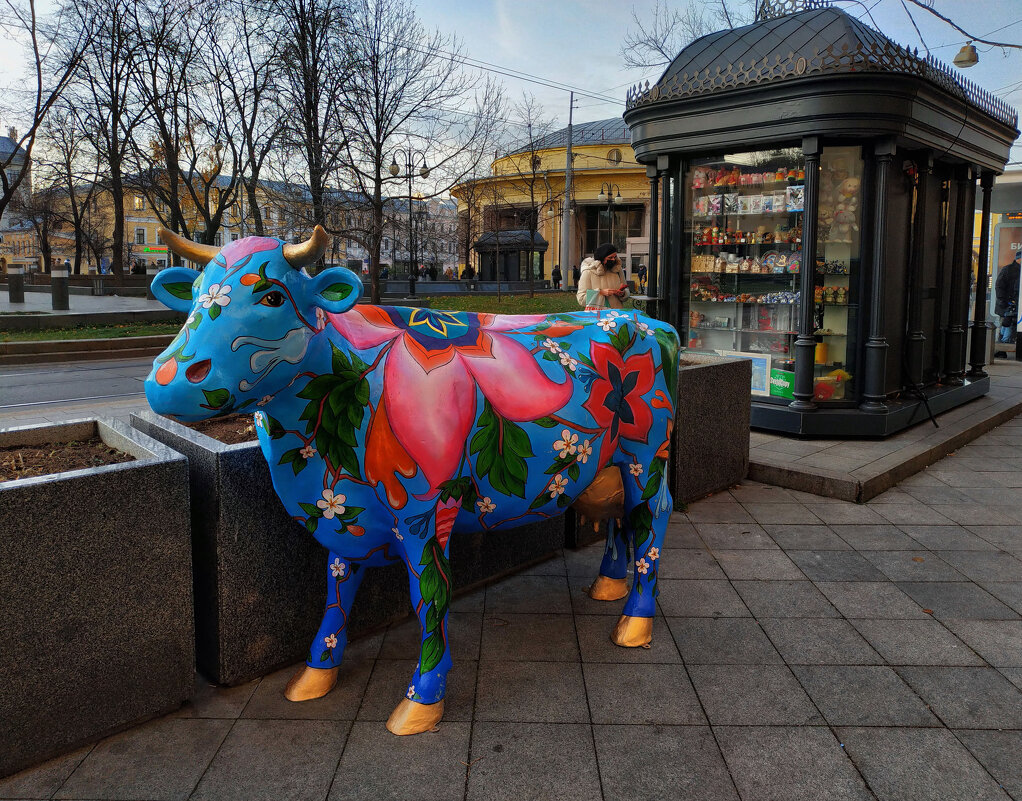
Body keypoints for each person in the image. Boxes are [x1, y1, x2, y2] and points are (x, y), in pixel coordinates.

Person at [576, 243, 630, 310]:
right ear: (601, 258)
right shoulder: (588, 271)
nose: (613, 260)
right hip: (597, 316)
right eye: (610, 257)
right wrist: (600, 292)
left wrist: (623, 294)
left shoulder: (618, 270)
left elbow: (626, 293)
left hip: (616, 314)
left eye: (615, 257)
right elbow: (581, 299)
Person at [994, 249, 1020, 348]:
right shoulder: (1008, 270)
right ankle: (1001, 349)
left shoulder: (1009, 269)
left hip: (1011, 306)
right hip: (1007, 306)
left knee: (1006, 327)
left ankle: (1001, 349)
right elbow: (999, 287)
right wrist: (1003, 302)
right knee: (1006, 326)